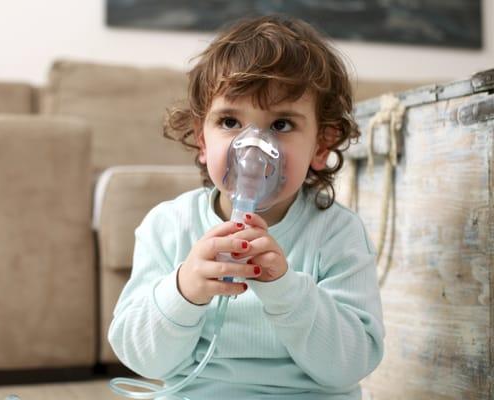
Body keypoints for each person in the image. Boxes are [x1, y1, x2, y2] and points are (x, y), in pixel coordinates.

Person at [108, 15, 384, 400]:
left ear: (321, 144)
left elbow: (352, 364)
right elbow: (141, 357)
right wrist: (183, 291)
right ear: (202, 140)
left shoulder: (337, 234)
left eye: (282, 124)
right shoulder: (168, 226)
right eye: (230, 121)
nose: (253, 147)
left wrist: (286, 291)